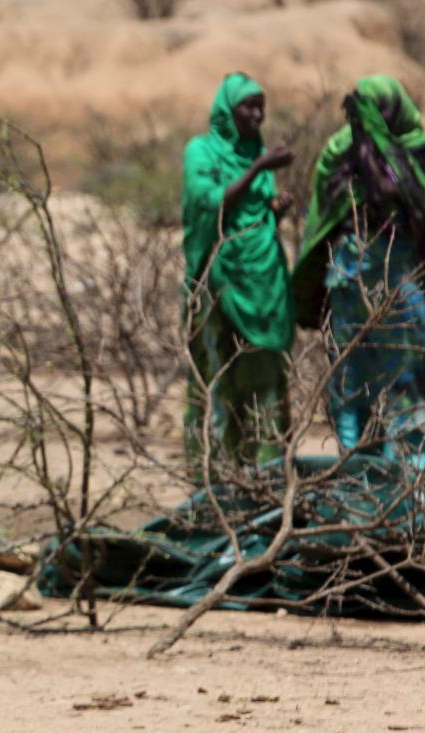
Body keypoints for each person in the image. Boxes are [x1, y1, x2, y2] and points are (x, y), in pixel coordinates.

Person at [291, 75, 425, 476]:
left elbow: (321, 221)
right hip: (391, 279)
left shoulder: (337, 151)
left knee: (353, 374)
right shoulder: (403, 152)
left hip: (345, 279)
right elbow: (421, 218)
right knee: (419, 369)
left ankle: (361, 462)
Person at [181, 72, 297, 476]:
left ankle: (263, 474)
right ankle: (212, 478)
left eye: (261, 106)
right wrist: (261, 167)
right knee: (217, 376)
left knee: (263, 377)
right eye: (249, 106)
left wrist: (274, 212)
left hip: (261, 281)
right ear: (227, 112)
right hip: (219, 281)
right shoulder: (201, 152)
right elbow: (211, 203)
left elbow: (251, 216)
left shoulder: (255, 154)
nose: (258, 115)